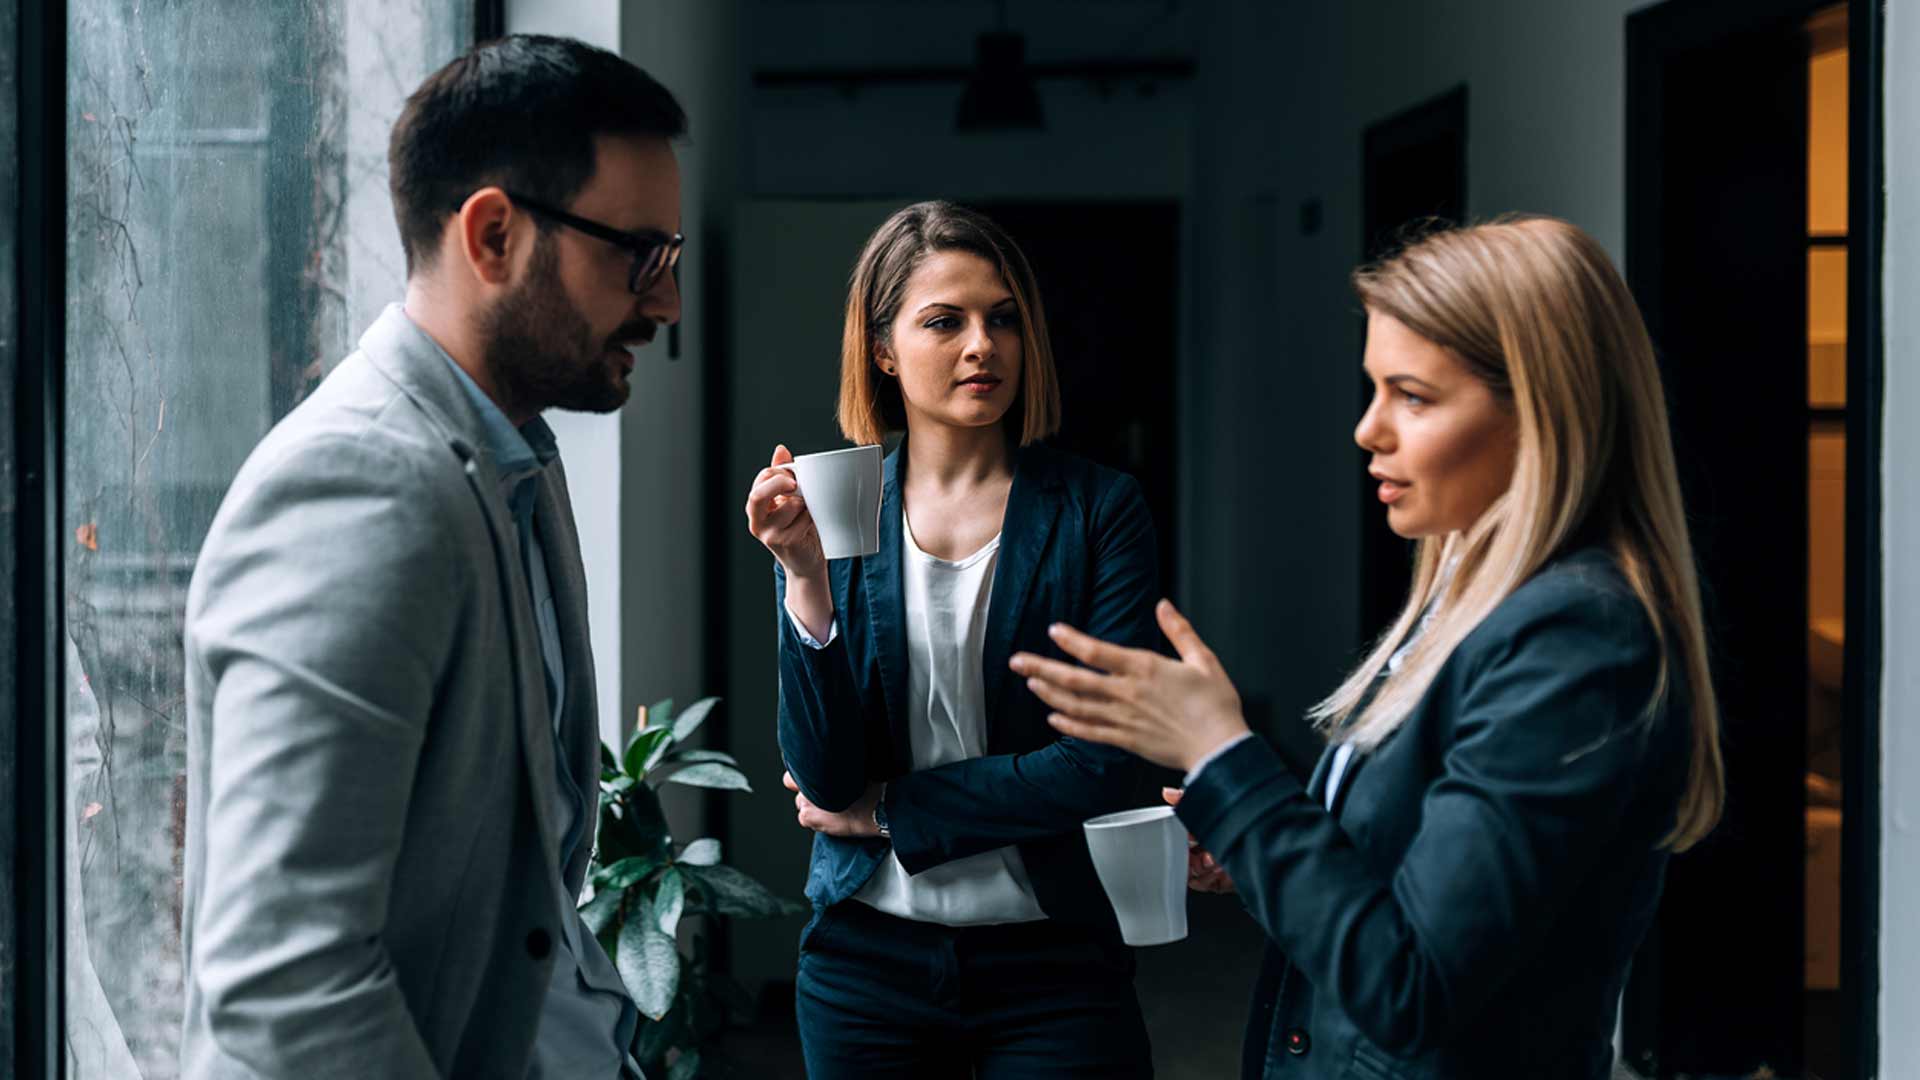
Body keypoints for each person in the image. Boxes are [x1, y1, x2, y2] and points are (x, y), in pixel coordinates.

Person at [1013, 217, 1726, 1079]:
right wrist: (1257, 845)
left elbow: (1411, 987)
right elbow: (1416, 884)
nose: (1368, 429)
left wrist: (1223, 755)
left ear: (1541, 408)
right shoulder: (1471, 595)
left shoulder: (1574, 641)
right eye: (1374, 389)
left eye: (1413, 396)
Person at [179, 35, 685, 1078]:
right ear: (493, 235)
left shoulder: (515, 460)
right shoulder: (357, 489)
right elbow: (287, 984)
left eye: (672, 263)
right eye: (638, 258)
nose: (666, 303)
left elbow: (525, 900)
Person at [743, 200, 1163, 1078]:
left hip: (1054, 968)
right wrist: (805, 580)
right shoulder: (835, 512)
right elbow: (824, 779)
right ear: (883, 347)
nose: (984, 345)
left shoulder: (1098, 512)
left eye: (1003, 319)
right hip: (866, 967)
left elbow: (1104, 763)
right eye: (946, 321)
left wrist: (892, 810)